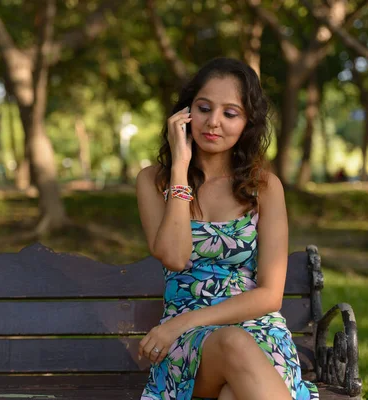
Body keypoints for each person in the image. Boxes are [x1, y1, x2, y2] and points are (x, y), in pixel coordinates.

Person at [135, 58, 319, 400]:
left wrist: (176, 324)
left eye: (230, 113)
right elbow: (175, 257)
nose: (213, 122)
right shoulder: (153, 180)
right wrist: (179, 169)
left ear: (247, 122)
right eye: (204, 108)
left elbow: (269, 295)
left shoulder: (264, 187)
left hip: (256, 329)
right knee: (233, 344)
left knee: (235, 391)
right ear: (186, 113)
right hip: (187, 344)